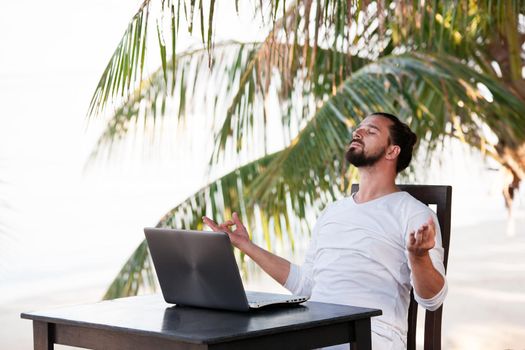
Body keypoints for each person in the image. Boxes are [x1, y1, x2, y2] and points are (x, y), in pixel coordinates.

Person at [203, 112, 447, 349]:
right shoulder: (333, 211)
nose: (358, 131)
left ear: (393, 151)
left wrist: (419, 257)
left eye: (371, 130)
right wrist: (246, 246)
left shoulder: (415, 214)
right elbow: (306, 285)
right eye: (358, 128)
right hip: (316, 331)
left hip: (371, 335)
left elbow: (433, 300)